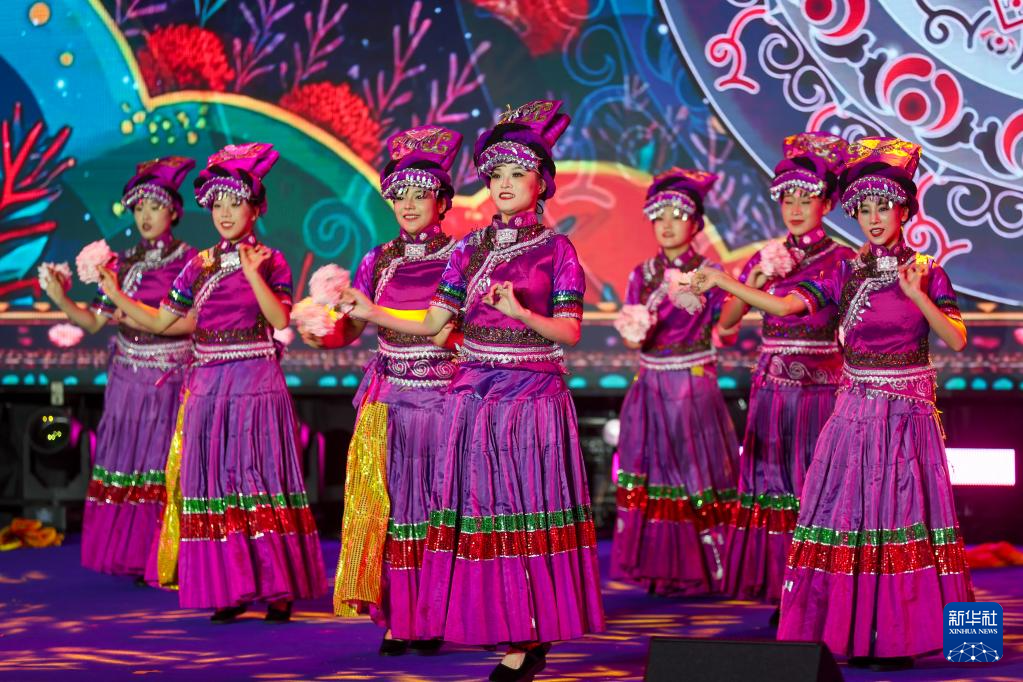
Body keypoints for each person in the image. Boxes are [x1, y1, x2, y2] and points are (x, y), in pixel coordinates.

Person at [341, 100, 605, 681]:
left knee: (526, 509)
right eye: (496, 174)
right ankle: (506, 626)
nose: (505, 184)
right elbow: (434, 323)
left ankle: (530, 637)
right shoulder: (468, 248)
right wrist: (370, 310)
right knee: (482, 513)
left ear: (542, 183)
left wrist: (522, 313)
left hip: (531, 398)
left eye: (518, 173)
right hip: (472, 397)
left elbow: (569, 331)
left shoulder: (557, 250)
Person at [692, 137, 973, 669]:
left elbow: (956, 340)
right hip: (853, 413)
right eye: (864, 209)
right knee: (849, 517)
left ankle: (905, 637)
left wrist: (917, 295)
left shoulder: (928, 270)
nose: (873, 218)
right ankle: (857, 632)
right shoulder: (846, 272)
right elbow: (785, 306)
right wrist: (726, 280)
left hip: (906, 416)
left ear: (905, 210)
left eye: (883, 207)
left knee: (902, 516)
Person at [98, 142, 327, 622]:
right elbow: (165, 322)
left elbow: (278, 318)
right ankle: (231, 587)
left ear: (255, 209)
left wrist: (253, 273)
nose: (224, 213)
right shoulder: (197, 265)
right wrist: (115, 293)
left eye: (234, 203)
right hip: (206, 387)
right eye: (217, 203)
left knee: (260, 478)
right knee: (216, 481)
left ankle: (277, 588)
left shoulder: (271, 260)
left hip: (255, 383)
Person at [318, 125, 462, 656]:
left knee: (439, 507)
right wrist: (322, 329)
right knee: (393, 509)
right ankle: (401, 617)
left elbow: (452, 331)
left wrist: (374, 312)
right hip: (389, 401)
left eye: (420, 193)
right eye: (399, 194)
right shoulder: (377, 260)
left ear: (442, 201)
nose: (408, 204)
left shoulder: (462, 258)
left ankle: (441, 614)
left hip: (442, 400)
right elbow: (352, 330)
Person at [719, 133, 855, 614]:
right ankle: (783, 588)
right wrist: (754, 282)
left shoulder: (843, 260)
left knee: (817, 486)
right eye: (787, 199)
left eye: (806, 199)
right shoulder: (766, 256)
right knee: (773, 483)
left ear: (828, 204)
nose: (795, 209)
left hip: (822, 390)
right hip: (772, 390)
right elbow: (727, 322)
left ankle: (822, 588)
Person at [44, 156, 197, 579]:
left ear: (174, 212)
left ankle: (169, 556)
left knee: (164, 464)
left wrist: (132, 313)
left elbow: (190, 322)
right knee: (129, 463)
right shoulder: (122, 263)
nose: (145, 216)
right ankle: (134, 555)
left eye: (155, 207)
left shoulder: (189, 263)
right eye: (139, 208)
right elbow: (95, 322)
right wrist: (61, 299)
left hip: (169, 380)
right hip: (128, 380)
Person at [610, 168, 739, 596]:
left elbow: (728, 326)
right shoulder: (641, 273)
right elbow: (633, 335)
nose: (666, 225)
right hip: (649, 383)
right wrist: (634, 331)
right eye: (658, 216)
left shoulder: (709, 272)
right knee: (652, 471)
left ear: (697, 224)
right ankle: (658, 566)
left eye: (678, 216)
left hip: (692, 384)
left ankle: (710, 566)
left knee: (695, 472)